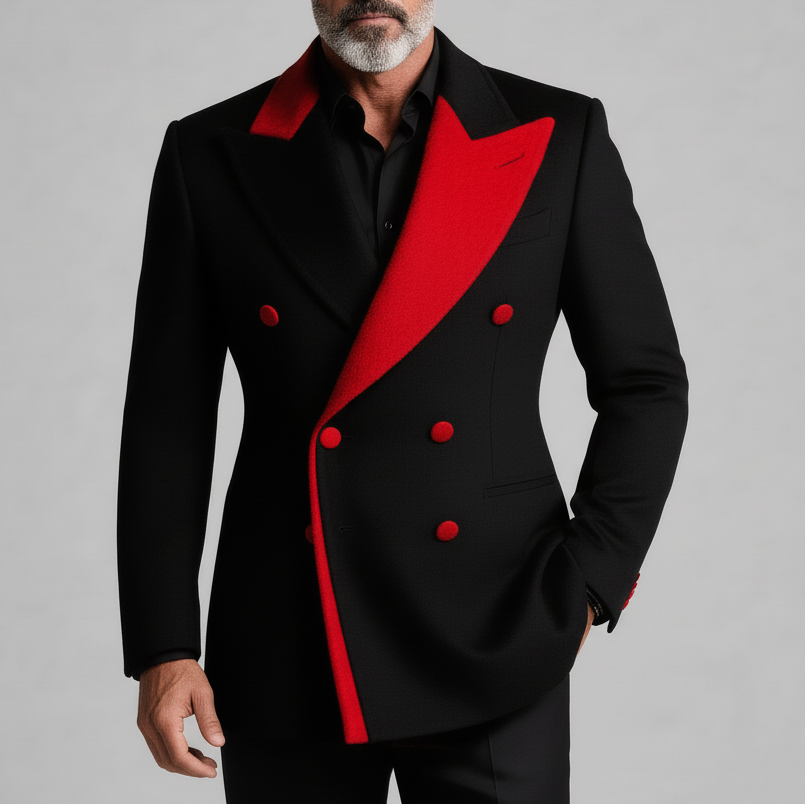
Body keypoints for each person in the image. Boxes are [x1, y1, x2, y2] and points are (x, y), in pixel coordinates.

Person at [117, 1, 689, 801]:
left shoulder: (558, 132)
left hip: (495, 622)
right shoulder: (210, 148)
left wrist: (589, 579)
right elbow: (166, 418)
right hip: (289, 628)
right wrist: (163, 646)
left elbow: (644, 382)